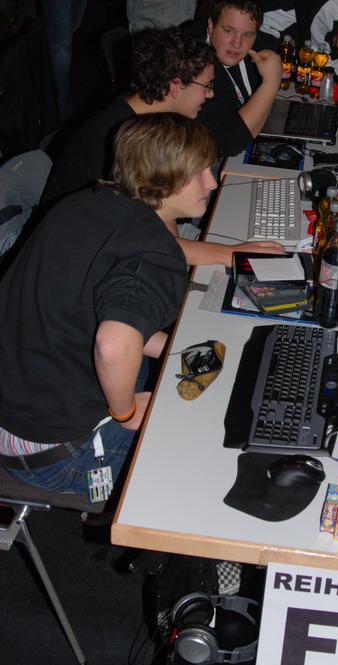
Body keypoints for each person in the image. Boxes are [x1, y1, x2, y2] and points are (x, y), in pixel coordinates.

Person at [0, 113, 217, 495]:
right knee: (206, 449)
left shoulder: (83, 204)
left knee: (202, 367)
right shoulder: (155, 253)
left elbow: (84, 312)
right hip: (58, 453)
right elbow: (114, 345)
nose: (211, 182)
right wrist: (126, 412)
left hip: (15, 413)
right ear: (165, 179)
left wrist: (174, 348)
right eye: (199, 172)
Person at [41, 26, 283, 264]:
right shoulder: (121, 140)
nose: (210, 95)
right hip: (82, 255)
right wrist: (230, 254)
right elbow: (142, 240)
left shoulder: (146, 115)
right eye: (208, 86)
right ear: (176, 86)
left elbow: (159, 222)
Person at [194, 0, 283, 159]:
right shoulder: (194, 63)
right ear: (211, 26)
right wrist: (271, 82)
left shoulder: (261, 47)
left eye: (247, 35)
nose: (237, 43)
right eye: (228, 31)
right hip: (203, 159)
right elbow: (226, 143)